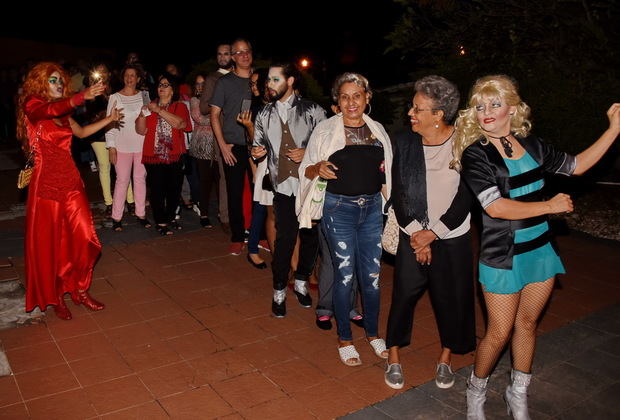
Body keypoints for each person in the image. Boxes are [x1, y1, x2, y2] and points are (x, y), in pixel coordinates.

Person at [451, 75, 620, 419]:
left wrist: (615, 128)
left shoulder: (533, 145)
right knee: (498, 334)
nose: (487, 111)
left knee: (527, 325)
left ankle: (518, 395)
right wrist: (549, 206)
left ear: (512, 108)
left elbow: (577, 165)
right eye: (481, 105)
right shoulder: (475, 155)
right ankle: (476, 391)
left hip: (540, 249)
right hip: (501, 255)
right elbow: (495, 207)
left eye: (495, 104)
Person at [383, 76, 475, 390]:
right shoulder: (404, 141)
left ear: (438, 115)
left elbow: (466, 197)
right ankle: (393, 355)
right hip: (412, 232)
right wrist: (417, 234)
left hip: (451, 236)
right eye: (413, 105)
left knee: (450, 299)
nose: (411, 112)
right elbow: (399, 192)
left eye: (418, 108)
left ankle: (445, 358)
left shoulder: (465, 142)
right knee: (404, 295)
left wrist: (432, 234)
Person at [299, 73, 393, 366]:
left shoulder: (378, 131)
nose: (351, 102)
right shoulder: (325, 130)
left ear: (367, 97)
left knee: (373, 279)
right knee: (345, 274)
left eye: (357, 95)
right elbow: (306, 169)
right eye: (344, 96)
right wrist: (317, 168)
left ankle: (373, 333)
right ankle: (344, 338)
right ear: (337, 102)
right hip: (338, 209)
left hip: (372, 210)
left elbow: (386, 175)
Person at [16, 62, 119, 320]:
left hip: (71, 182)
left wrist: (110, 119)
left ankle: (80, 289)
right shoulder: (33, 105)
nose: (58, 84)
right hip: (46, 185)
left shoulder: (63, 113)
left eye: (60, 80)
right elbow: (49, 109)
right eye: (52, 80)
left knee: (84, 236)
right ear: (40, 82)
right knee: (53, 243)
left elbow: (82, 132)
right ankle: (58, 295)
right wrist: (80, 97)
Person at [251, 63, 326, 317]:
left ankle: (303, 280)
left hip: (309, 185)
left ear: (291, 81)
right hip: (282, 186)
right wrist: (257, 152)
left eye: (275, 79)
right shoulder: (263, 114)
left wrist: (308, 153)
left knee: (310, 237)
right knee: (284, 239)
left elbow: (328, 146)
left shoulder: (313, 110)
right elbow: (257, 144)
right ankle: (279, 289)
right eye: (268, 81)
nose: (269, 85)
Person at [210, 38, 253, 255]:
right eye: (239, 52)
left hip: (258, 146)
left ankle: (260, 235)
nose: (244, 55)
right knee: (234, 193)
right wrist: (222, 146)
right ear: (233, 57)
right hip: (233, 145)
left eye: (247, 51)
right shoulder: (224, 83)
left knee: (260, 192)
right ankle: (237, 236)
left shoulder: (259, 80)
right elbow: (214, 115)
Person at [136, 73, 191, 235]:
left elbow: (181, 124)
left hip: (174, 155)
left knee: (174, 189)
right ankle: (161, 221)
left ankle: (170, 217)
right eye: (160, 85)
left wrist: (159, 110)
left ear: (173, 90)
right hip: (153, 156)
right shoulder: (150, 106)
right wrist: (141, 115)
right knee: (157, 190)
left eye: (166, 85)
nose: (162, 87)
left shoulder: (179, 106)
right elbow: (141, 130)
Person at [106, 64, 150, 231]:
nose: (130, 78)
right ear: (123, 77)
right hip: (121, 146)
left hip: (141, 145)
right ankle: (116, 218)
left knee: (140, 179)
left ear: (138, 79)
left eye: (133, 75)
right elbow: (110, 123)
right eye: (127, 75)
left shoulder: (145, 96)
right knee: (122, 181)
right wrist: (111, 146)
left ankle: (141, 214)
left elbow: (148, 119)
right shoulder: (114, 97)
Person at [201, 43, 233, 234]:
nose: (222, 57)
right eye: (219, 54)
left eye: (226, 54)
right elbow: (204, 108)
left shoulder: (241, 75)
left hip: (243, 132)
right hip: (222, 133)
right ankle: (225, 216)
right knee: (225, 176)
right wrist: (219, 98)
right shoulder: (214, 79)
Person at [189, 73, 219, 228]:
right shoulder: (194, 100)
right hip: (202, 147)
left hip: (218, 145)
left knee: (220, 181)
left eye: (203, 84)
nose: (200, 87)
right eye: (197, 84)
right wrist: (217, 117)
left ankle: (222, 213)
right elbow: (199, 118)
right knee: (205, 181)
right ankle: (204, 214)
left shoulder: (216, 100)